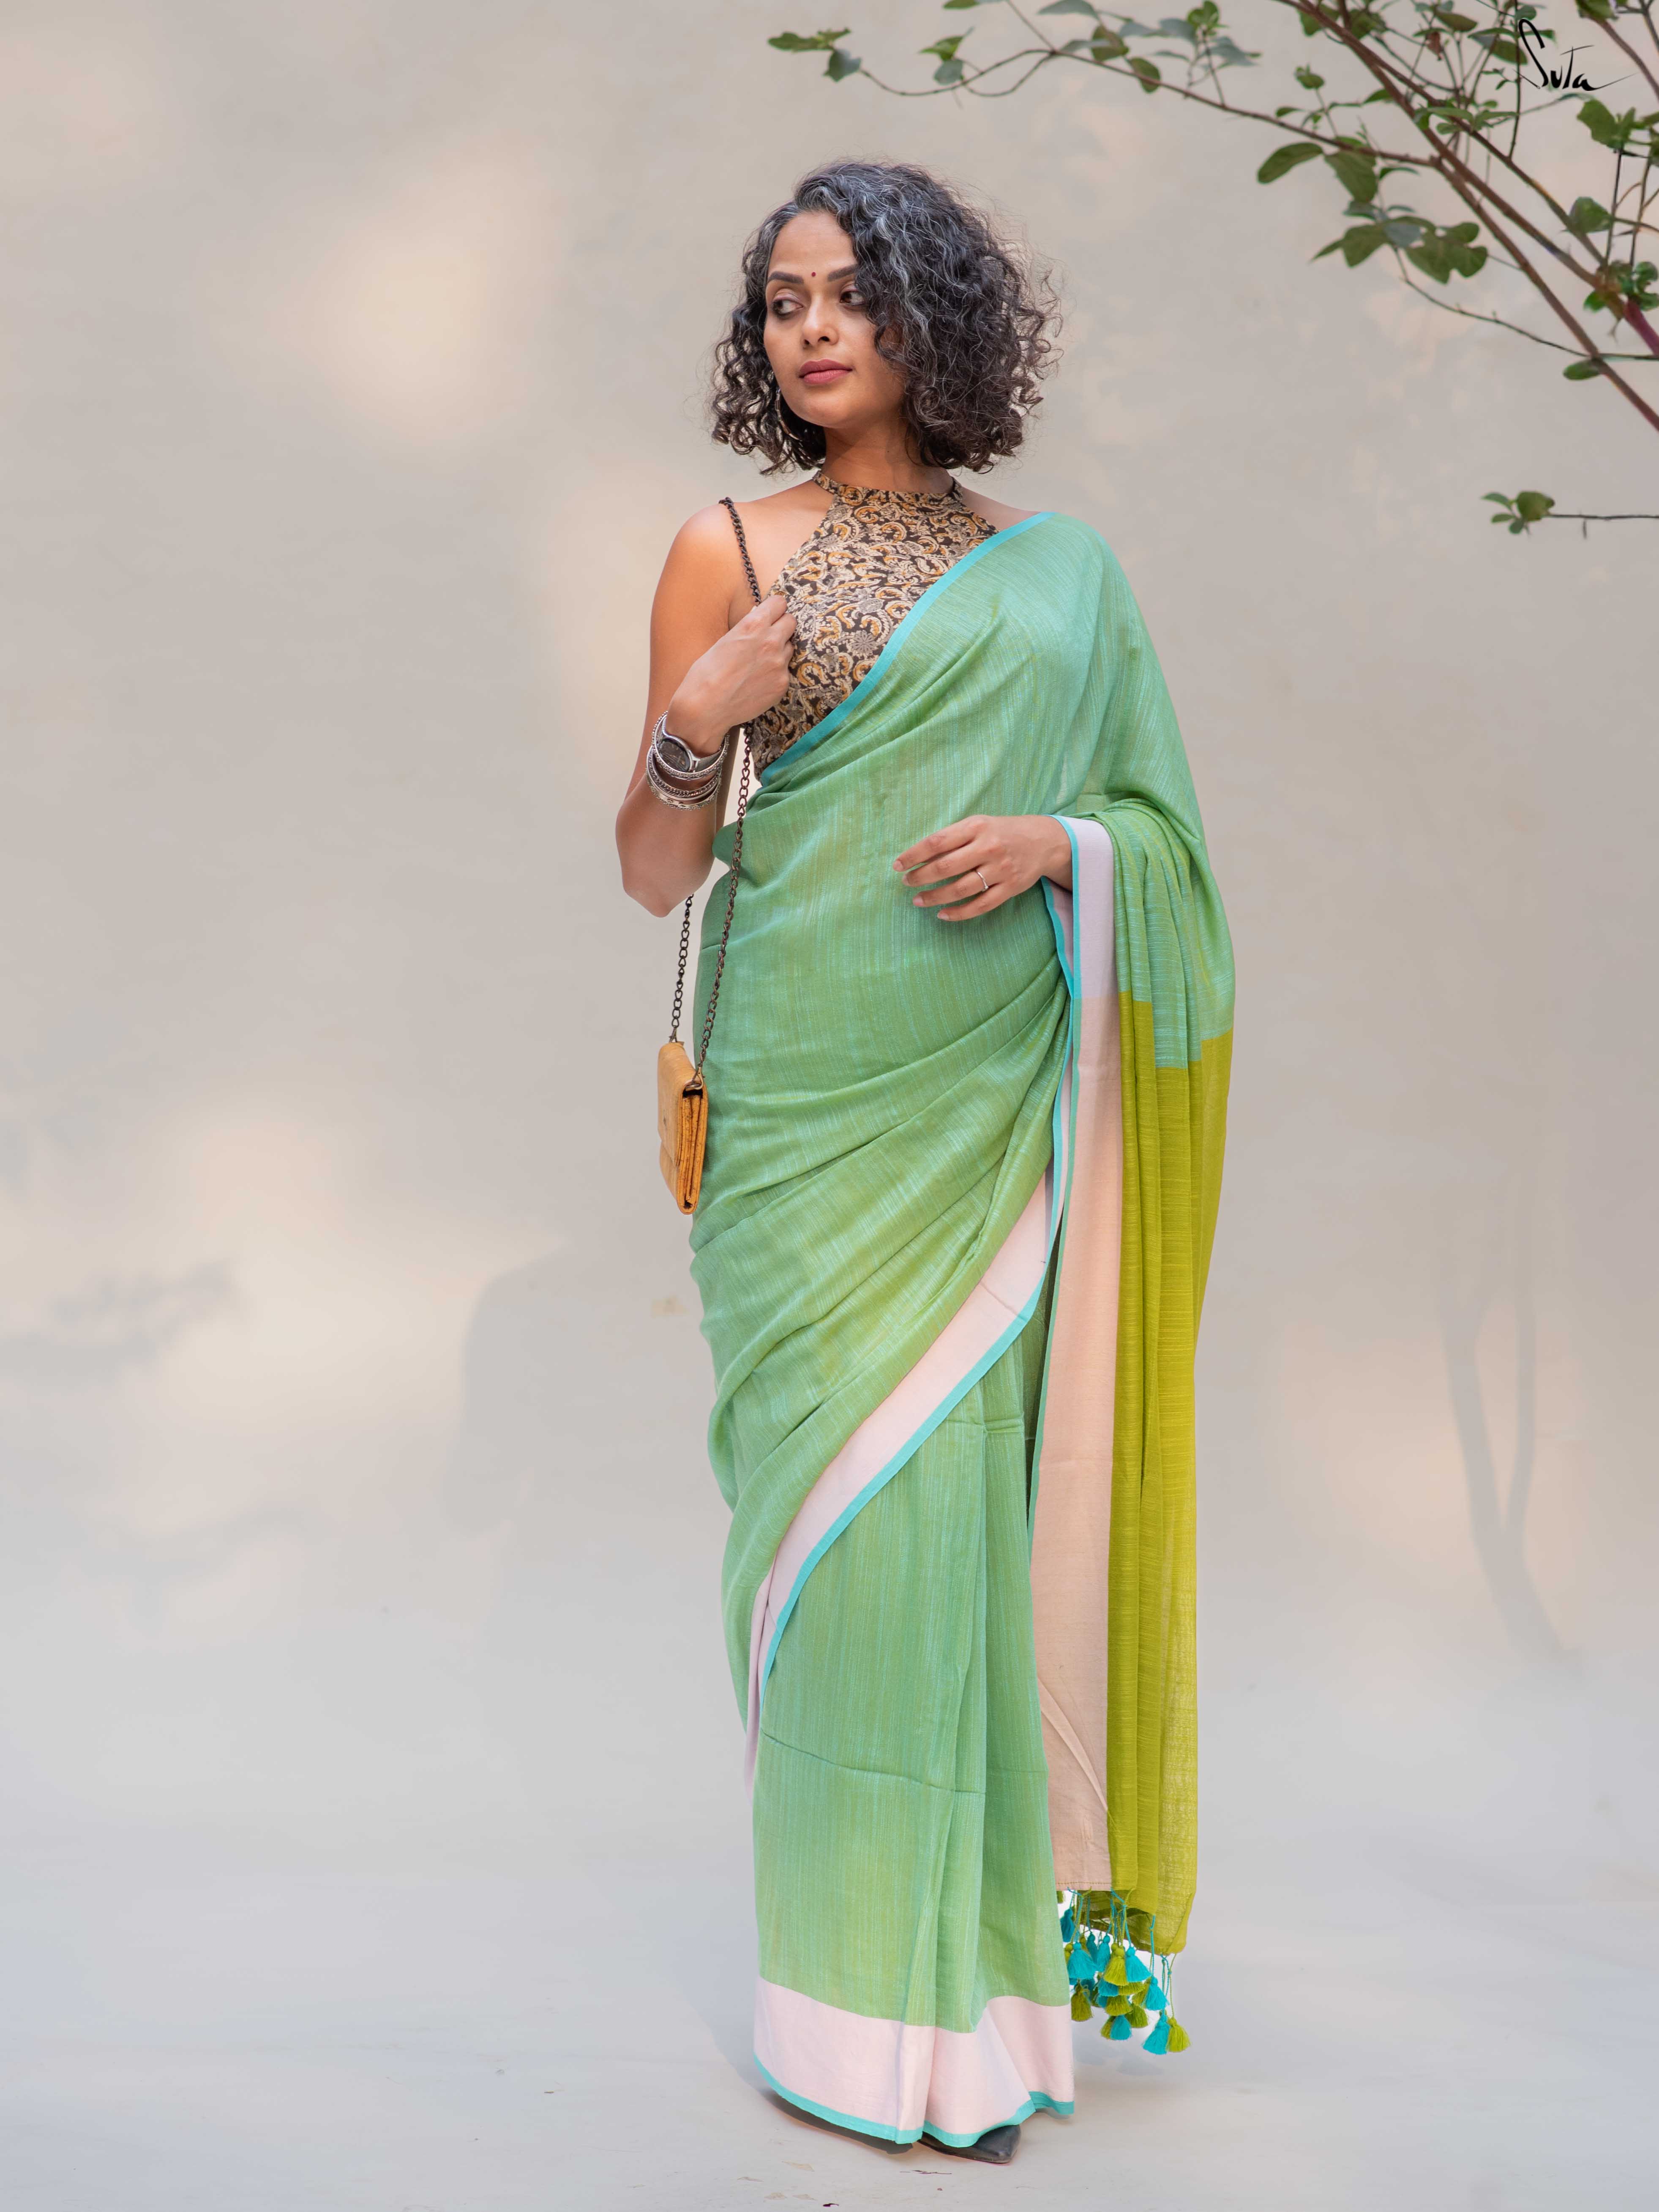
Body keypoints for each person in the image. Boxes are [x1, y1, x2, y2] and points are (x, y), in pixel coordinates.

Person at [616, 160, 1233, 2164]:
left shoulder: (1063, 576)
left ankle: (975, 2012)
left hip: (990, 1117)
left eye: (852, 294)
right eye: (783, 299)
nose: (811, 330)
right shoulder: (726, 548)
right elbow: (652, 872)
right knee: (840, 1549)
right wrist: (695, 722)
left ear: (935, 319)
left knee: (960, 1538)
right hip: (803, 1122)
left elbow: (1161, 833)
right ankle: (851, 2013)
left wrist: (1065, 848)